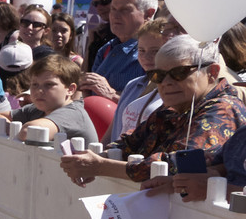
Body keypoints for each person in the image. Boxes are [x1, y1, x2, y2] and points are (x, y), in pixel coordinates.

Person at [60, 36, 246, 185]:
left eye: (179, 73)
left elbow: (178, 164)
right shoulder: (176, 107)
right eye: (157, 75)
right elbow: (130, 142)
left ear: (212, 72)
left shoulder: (224, 108)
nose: (166, 83)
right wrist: (93, 160)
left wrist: (101, 166)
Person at [82, 0, 156, 100]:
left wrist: (111, 95)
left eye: (125, 10)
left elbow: (150, 103)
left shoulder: (157, 53)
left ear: (148, 14)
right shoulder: (105, 49)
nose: (115, 16)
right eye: (113, 9)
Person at [7, 55, 98, 146]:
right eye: (35, 84)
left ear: (70, 89)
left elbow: (29, 132)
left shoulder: (72, 113)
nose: (39, 91)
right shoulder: (36, 109)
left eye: (49, 84)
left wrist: (10, 129)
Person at [108, 17, 173, 142]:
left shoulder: (175, 90)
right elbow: (114, 129)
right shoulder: (132, 85)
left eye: (155, 51)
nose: (146, 57)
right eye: (141, 50)